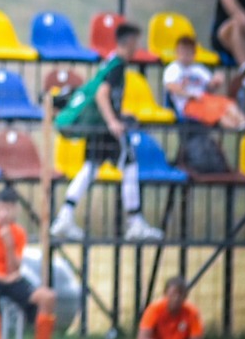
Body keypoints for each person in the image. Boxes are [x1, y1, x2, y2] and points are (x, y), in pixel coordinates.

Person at [51, 22, 165, 242]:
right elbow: (102, 94)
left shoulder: (109, 63)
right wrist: (113, 121)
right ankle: (135, 222)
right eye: (137, 42)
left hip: (98, 126)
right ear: (129, 42)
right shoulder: (117, 65)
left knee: (90, 168)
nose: (138, 46)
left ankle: (64, 216)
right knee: (129, 165)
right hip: (106, 129)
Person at [0, 187, 58, 339]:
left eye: (8, 209)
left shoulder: (18, 232)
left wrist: (9, 245)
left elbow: (14, 269)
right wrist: (1, 278)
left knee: (48, 297)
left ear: (15, 210)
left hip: (12, 278)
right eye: (1, 208)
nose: (4, 213)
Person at [165, 35, 245, 129]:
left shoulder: (199, 69)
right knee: (218, 113)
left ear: (194, 54)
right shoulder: (173, 68)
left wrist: (216, 82)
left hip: (205, 99)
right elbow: (171, 87)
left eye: (188, 52)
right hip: (188, 104)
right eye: (183, 52)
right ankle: (239, 129)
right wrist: (190, 95)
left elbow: (210, 87)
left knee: (228, 104)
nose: (185, 56)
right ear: (177, 52)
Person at [124, 276, 203, 339]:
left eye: (180, 295)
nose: (176, 298)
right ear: (165, 294)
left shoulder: (192, 312)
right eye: (173, 294)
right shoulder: (154, 309)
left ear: (186, 296)